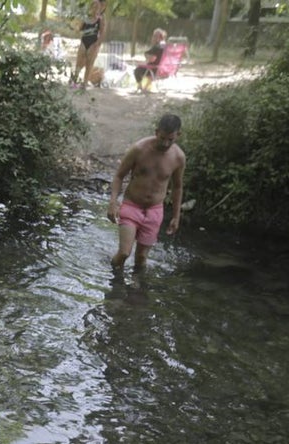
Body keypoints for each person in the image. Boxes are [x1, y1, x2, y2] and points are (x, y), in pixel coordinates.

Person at [106, 113, 186, 273]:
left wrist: (176, 217)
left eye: (170, 139)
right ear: (156, 131)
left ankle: (136, 293)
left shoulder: (178, 157)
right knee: (124, 253)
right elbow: (119, 176)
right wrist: (113, 202)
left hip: (154, 211)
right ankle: (113, 285)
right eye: (162, 138)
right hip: (131, 206)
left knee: (141, 259)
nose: (165, 143)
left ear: (178, 135)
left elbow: (177, 187)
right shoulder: (139, 149)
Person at [70, 0, 105, 88]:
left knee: (89, 63)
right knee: (79, 62)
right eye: (93, 6)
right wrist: (76, 28)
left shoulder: (100, 19)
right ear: (90, 7)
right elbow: (80, 29)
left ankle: (84, 83)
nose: (95, 8)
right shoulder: (85, 18)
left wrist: (97, 45)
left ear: (99, 8)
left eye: (97, 7)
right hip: (84, 41)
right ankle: (74, 81)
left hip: (93, 43)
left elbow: (102, 33)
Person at [134, 28, 167, 93]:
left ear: (158, 37)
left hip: (154, 70)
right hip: (163, 70)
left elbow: (152, 59)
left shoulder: (157, 47)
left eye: (154, 36)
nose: (153, 37)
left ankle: (140, 87)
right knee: (146, 68)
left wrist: (146, 56)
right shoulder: (165, 46)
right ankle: (146, 88)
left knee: (137, 70)